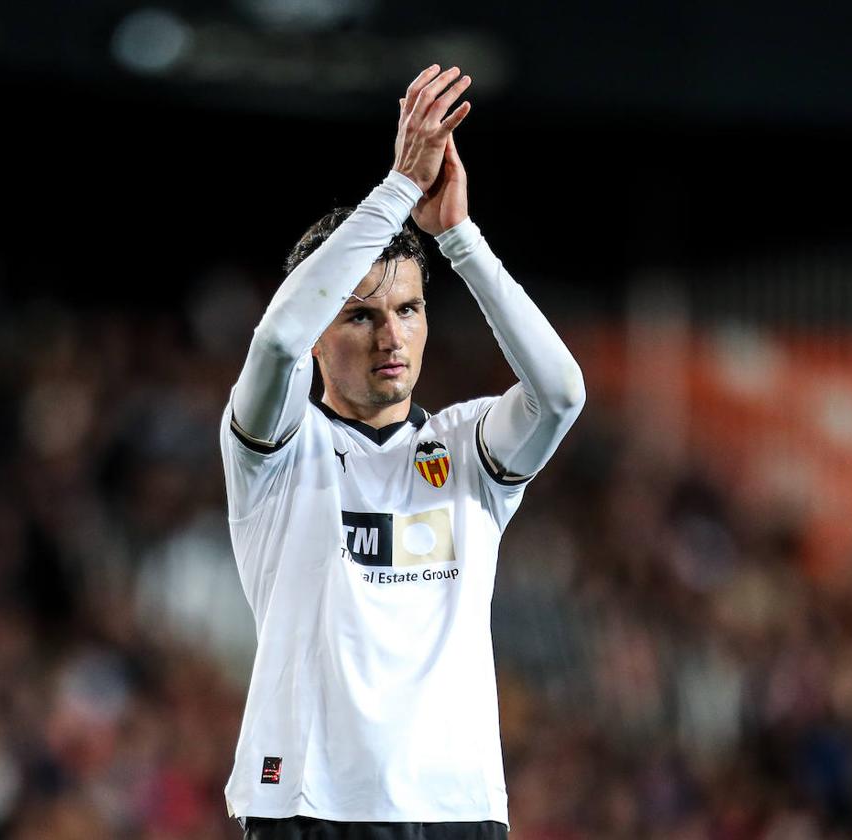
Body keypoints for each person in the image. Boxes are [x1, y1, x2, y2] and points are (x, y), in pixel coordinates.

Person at [219, 64, 586, 840]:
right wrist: (395, 188)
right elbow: (279, 336)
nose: (391, 338)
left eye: (409, 310)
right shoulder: (279, 449)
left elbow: (560, 394)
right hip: (309, 807)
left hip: (455, 809)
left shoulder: (465, 449)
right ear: (325, 330)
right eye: (360, 317)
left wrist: (458, 237)